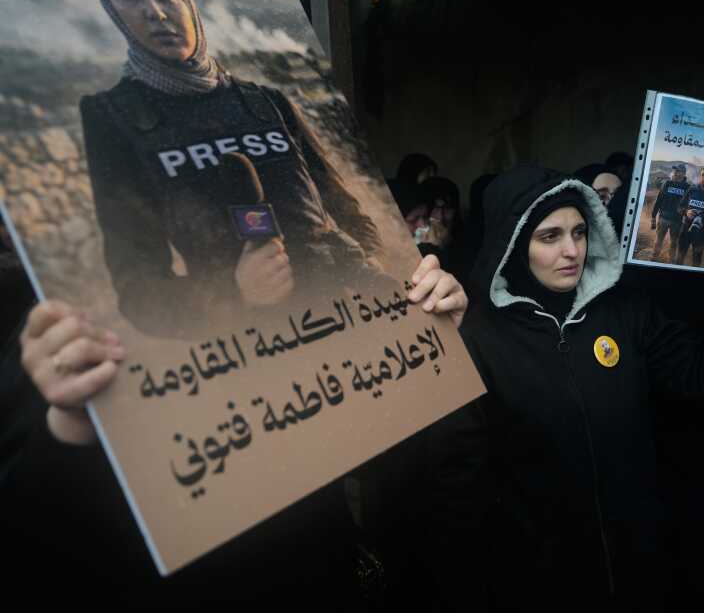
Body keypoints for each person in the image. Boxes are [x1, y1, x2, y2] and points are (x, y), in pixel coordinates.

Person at [4, 254, 475, 608]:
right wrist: (73, 424)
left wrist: (430, 339)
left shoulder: (293, 316)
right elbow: (39, 555)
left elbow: (374, 453)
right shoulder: (62, 345)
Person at [458, 163, 704, 610]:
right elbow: (459, 483)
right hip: (540, 579)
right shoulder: (478, 338)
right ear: (512, 245)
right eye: (549, 237)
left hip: (642, 568)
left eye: (579, 232)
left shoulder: (625, 311)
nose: (572, 250)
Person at [79, 0, 383, 340]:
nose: (154, 11)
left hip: (346, 318)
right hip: (252, 348)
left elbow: (345, 206)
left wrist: (368, 261)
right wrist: (235, 293)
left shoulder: (267, 101)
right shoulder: (112, 118)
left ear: (186, 0)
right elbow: (140, 294)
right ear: (110, 7)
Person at [675, 166, 704, 267]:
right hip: (685, 230)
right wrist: (686, 212)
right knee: (679, 257)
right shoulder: (692, 189)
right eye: (703, 175)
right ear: (700, 176)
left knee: (696, 260)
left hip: (701, 233)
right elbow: (680, 206)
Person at [649, 163, 688, 261]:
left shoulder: (687, 188)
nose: (675, 172)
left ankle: (670, 261)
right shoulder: (667, 184)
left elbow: (688, 205)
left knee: (674, 242)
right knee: (658, 241)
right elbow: (659, 200)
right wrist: (653, 216)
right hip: (663, 218)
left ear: (683, 173)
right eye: (675, 170)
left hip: (677, 221)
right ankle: (654, 258)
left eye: (678, 171)